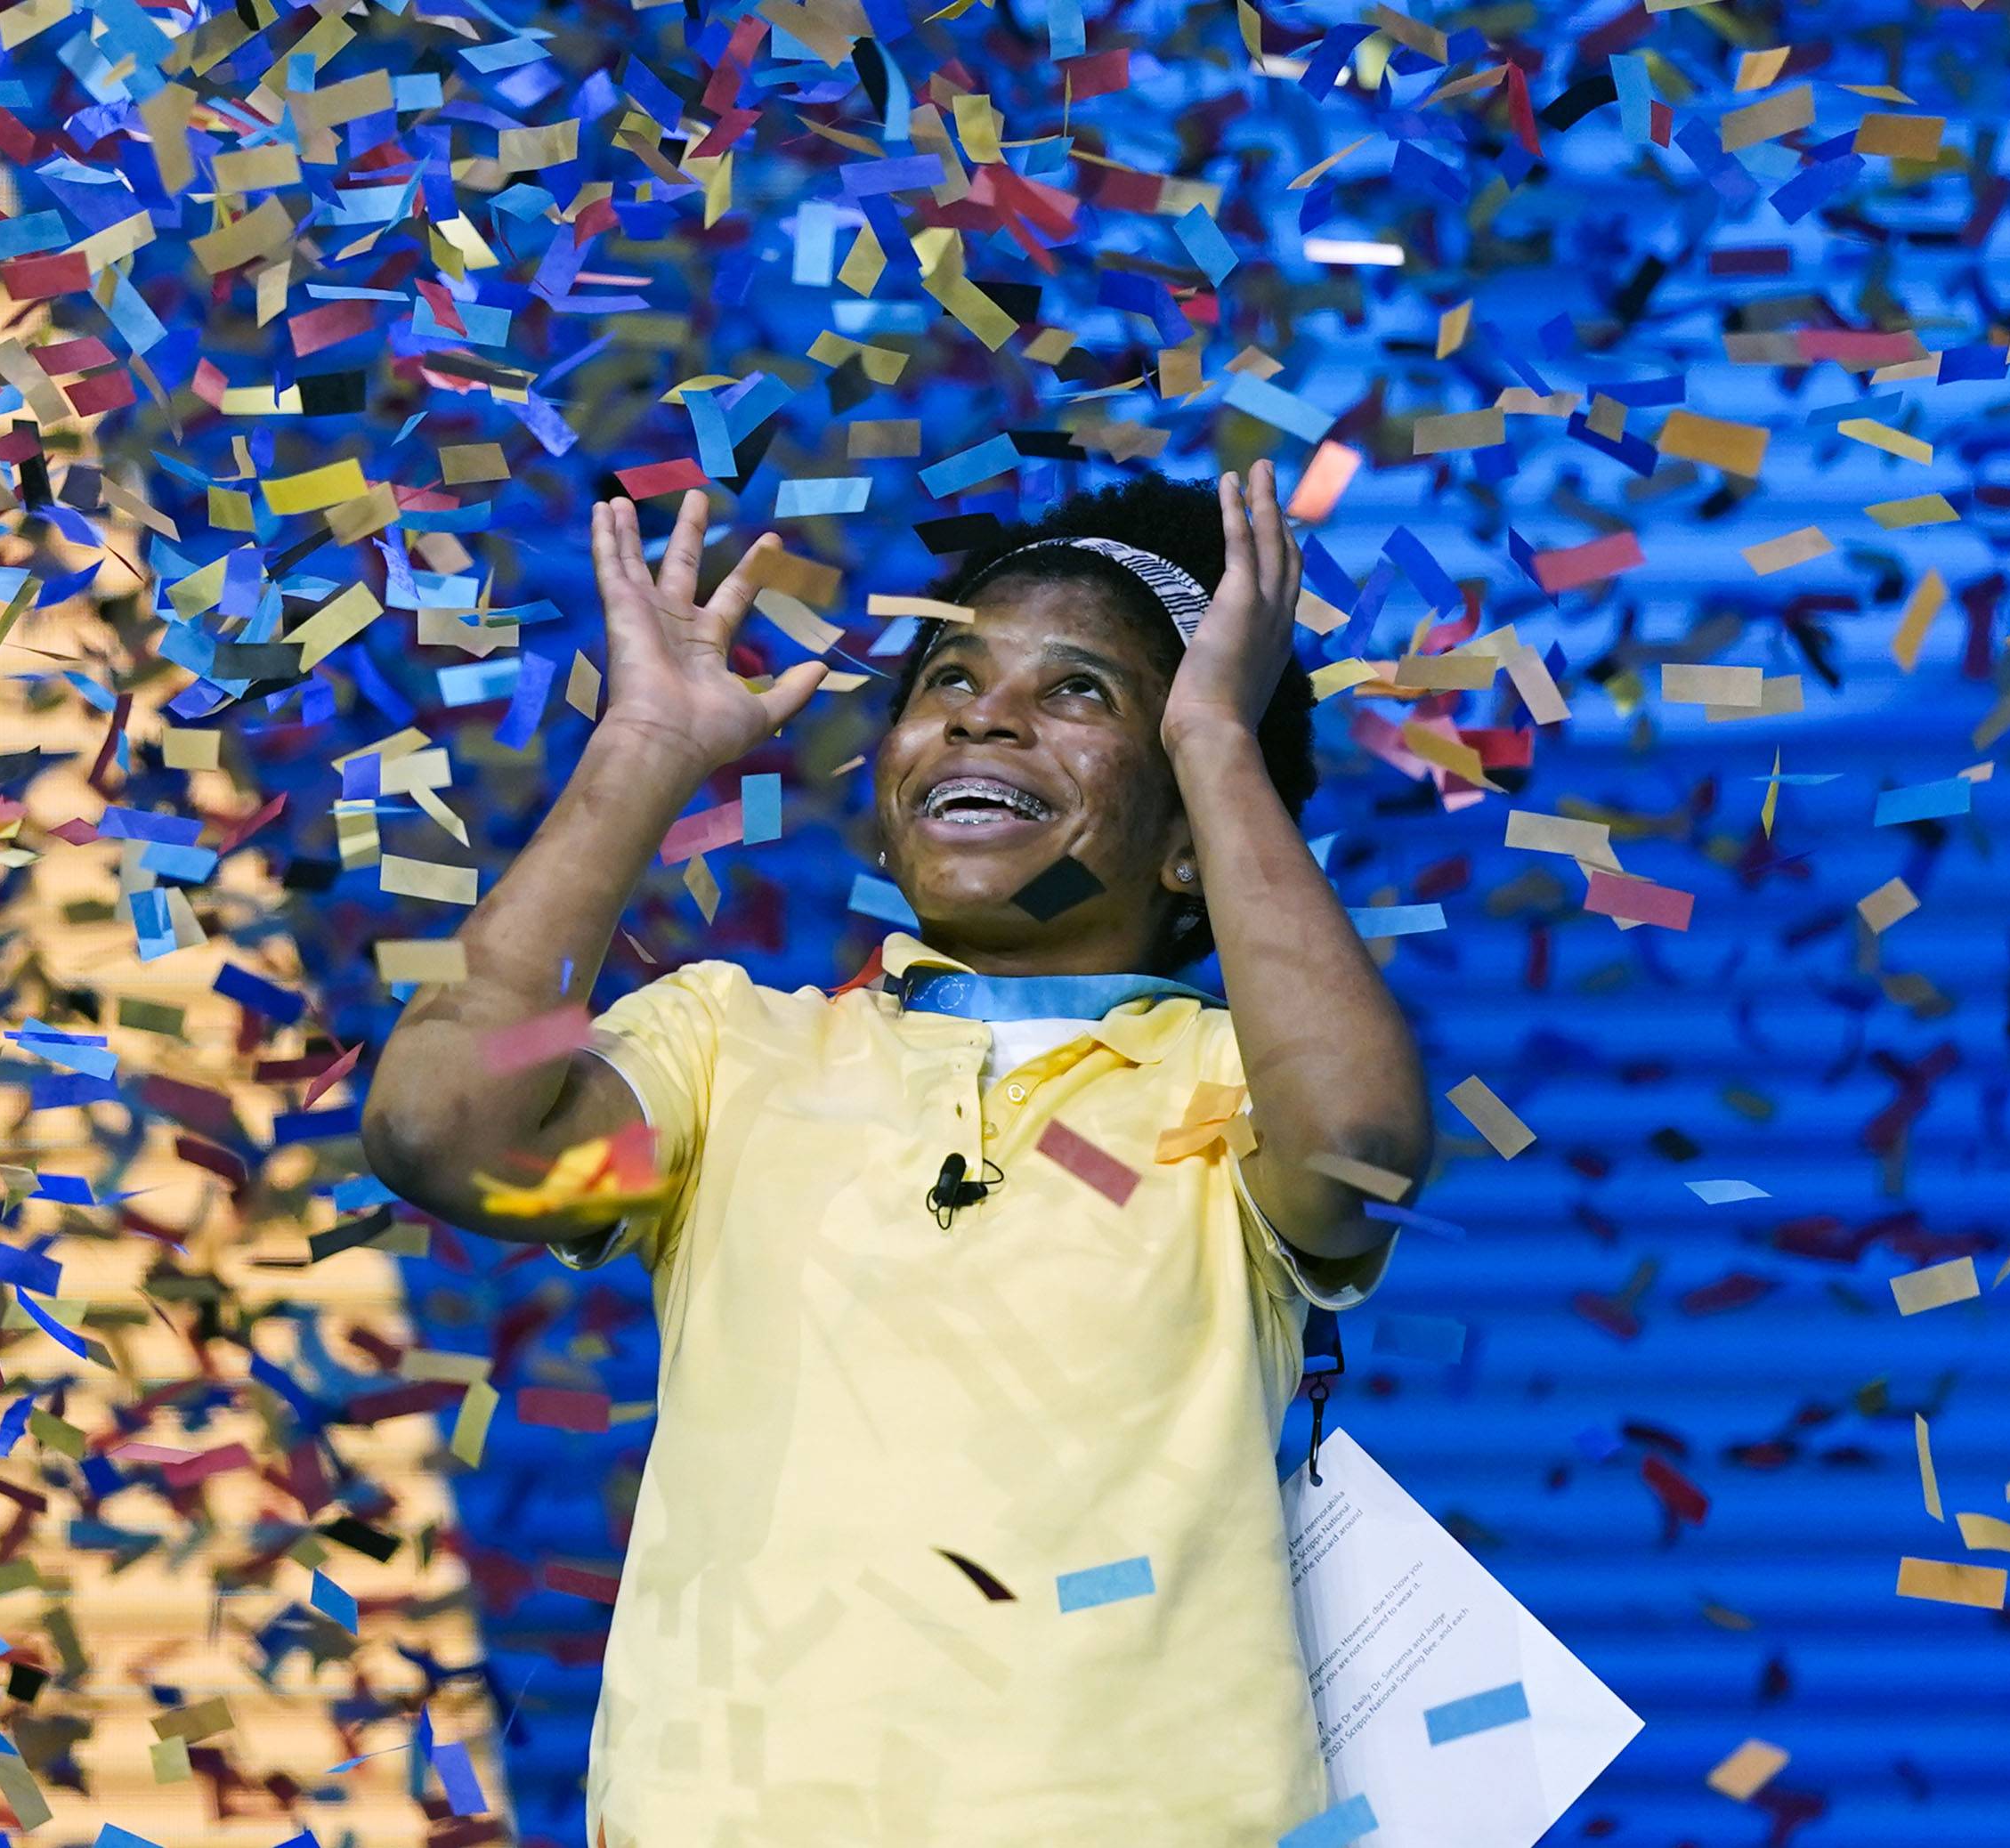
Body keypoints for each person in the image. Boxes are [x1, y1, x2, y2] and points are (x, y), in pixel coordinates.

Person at [363, 459, 1432, 1846]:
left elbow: (1357, 1152)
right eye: (947, 680)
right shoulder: (729, 1054)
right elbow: (442, 1133)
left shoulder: (1239, 1090)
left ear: (1185, 836)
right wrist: (641, 748)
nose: (985, 714)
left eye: (1078, 692)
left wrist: (1222, 742)